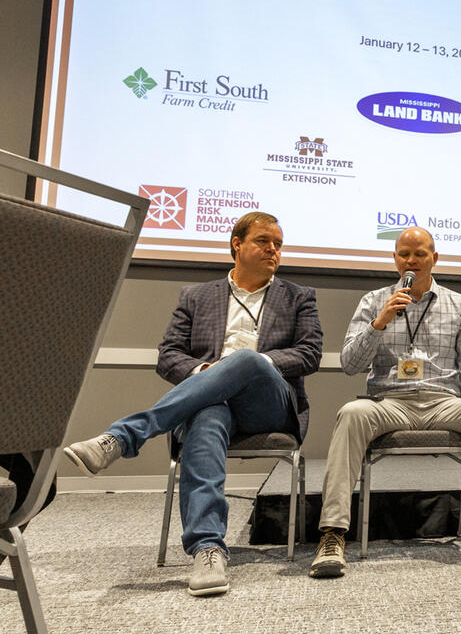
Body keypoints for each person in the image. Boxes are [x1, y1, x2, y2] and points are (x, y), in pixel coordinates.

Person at [63, 211, 322, 597]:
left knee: (248, 360)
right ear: (237, 244)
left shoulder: (298, 296)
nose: (274, 250)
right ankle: (208, 548)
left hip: (268, 402)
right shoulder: (196, 296)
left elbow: (309, 354)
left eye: (279, 244)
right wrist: (206, 371)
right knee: (207, 413)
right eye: (264, 241)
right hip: (210, 402)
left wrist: (250, 364)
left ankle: (124, 435)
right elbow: (168, 355)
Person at [309, 227, 461, 576]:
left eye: (419, 254)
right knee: (350, 413)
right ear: (394, 258)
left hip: (444, 400)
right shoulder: (373, 301)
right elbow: (351, 364)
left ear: (434, 258)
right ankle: (332, 534)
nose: (410, 261)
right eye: (403, 254)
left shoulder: (458, 304)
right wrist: (378, 324)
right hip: (388, 401)